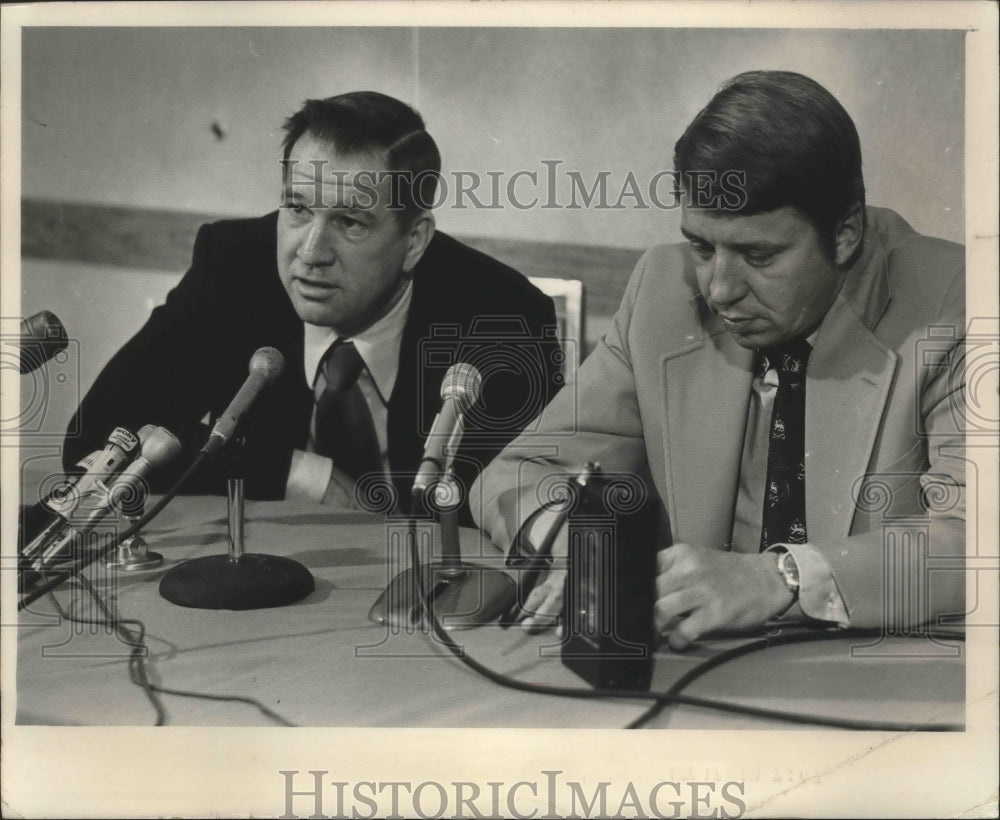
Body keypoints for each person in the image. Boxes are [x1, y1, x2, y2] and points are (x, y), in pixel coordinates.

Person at [472, 71, 966, 647]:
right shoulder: (661, 288)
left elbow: (977, 538)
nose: (719, 289)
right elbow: (516, 470)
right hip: (698, 662)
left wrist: (778, 578)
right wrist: (582, 543)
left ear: (845, 233)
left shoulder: (960, 302)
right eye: (702, 247)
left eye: (758, 255)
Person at [64, 91, 561, 516]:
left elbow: (522, 503)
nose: (310, 253)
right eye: (298, 209)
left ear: (413, 241)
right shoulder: (233, 268)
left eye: (350, 222)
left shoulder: (504, 316)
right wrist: (295, 473)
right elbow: (99, 440)